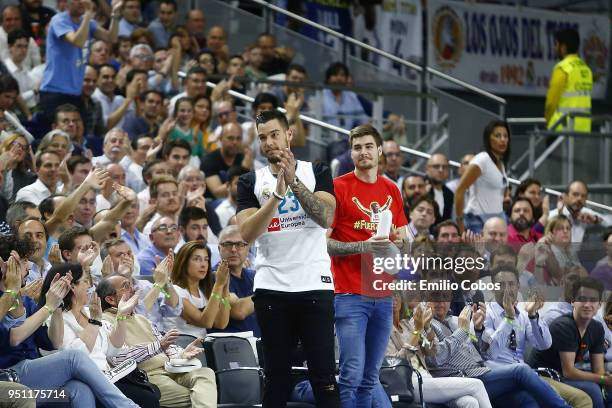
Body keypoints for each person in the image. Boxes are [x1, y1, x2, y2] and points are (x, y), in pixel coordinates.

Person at [236, 110, 339, 407]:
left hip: (315, 286)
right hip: (272, 290)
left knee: (325, 377)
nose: (269, 143)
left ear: (289, 134)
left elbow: (325, 217)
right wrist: (276, 196)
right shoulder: (249, 181)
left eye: (274, 134)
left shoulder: (317, 169)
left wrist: (294, 183)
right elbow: (246, 233)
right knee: (277, 378)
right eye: (262, 138)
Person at [0, 234, 139, 408]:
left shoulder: (24, 299)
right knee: (74, 358)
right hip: (10, 380)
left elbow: (54, 343)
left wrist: (56, 305)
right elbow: (14, 338)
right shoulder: (10, 298)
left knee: (79, 389)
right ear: (3, 265)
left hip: (36, 384)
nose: (28, 265)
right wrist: (47, 307)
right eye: (22, 260)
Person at [326, 124, 407, 407]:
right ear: (351, 152)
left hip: (383, 296)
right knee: (350, 376)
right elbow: (324, 245)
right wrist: (365, 247)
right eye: (357, 147)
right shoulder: (338, 187)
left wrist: (399, 241)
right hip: (349, 295)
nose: (363, 152)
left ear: (380, 150)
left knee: (370, 378)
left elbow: (406, 244)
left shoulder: (392, 190)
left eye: (368, 146)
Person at [39, 262, 160, 407]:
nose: (90, 286)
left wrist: (121, 316)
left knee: (151, 393)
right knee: (147, 399)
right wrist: (94, 323)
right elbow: (76, 356)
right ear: (72, 287)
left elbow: (113, 349)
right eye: (85, 281)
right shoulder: (56, 318)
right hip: (85, 384)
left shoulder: (90, 311)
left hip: (109, 377)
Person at [97, 274, 218, 408]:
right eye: (125, 286)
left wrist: (182, 354)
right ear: (110, 299)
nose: (132, 289)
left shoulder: (142, 319)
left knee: (206, 373)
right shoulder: (104, 322)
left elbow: (165, 347)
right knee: (198, 395)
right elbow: (118, 357)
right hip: (147, 377)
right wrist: (158, 346)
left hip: (172, 369)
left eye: (130, 284)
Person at [484, 265, 592, 408]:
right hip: (497, 376)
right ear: (492, 287)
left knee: (581, 399)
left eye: (511, 284)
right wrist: (508, 319)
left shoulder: (522, 315)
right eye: (501, 285)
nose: (506, 289)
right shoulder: (484, 313)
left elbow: (544, 344)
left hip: (526, 377)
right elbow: (491, 352)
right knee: (522, 372)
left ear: (518, 286)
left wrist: (533, 315)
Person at [386, 294, 492, 408]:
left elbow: (431, 351)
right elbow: (393, 365)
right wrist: (417, 332)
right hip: (408, 381)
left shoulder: (407, 324)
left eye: (396, 294)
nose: (394, 299)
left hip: (426, 377)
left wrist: (427, 328)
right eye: (388, 295)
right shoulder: (381, 331)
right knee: (477, 385)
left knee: (470, 402)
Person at [527, 277, 612, 408]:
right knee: (593, 390)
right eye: (582, 299)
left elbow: (598, 370)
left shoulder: (597, 328)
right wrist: (602, 379)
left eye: (593, 300)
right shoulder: (564, 326)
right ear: (573, 301)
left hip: (563, 375)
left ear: (599, 305)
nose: (587, 304)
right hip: (543, 375)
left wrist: (605, 378)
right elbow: (569, 371)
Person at [39, 0, 120, 126]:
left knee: (79, 134)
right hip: (54, 91)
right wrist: (88, 16)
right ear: (66, 2)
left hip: (76, 93)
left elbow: (111, 37)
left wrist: (115, 16)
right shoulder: (59, 20)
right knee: (57, 136)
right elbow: (77, 41)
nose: (82, 2)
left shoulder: (87, 22)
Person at [455, 120, 510, 234]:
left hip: (497, 220)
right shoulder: (482, 159)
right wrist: (460, 223)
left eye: (505, 136)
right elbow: (459, 190)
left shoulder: (501, 163)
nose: (503, 139)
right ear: (488, 138)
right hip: (477, 220)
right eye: (497, 136)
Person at [168, 241, 230, 337]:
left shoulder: (203, 292)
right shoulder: (176, 291)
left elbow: (221, 324)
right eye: (197, 259)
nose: (203, 265)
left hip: (200, 347)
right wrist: (218, 285)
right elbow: (205, 322)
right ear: (183, 263)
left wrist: (225, 288)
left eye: (206, 260)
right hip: (180, 347)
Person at [545, 28, 592, 132]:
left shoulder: (563, 68)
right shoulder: (586, 69)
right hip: (583, 130)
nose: (554, 48)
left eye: (556, 44)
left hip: (561, 129)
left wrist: (548, 122)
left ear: (563, 47)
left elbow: (551, 103)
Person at [426, 153, 454, 222]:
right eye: (436, 166)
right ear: (427, 169)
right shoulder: (419, 188)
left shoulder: (449, 194)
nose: (441, 170)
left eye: (444, 167)